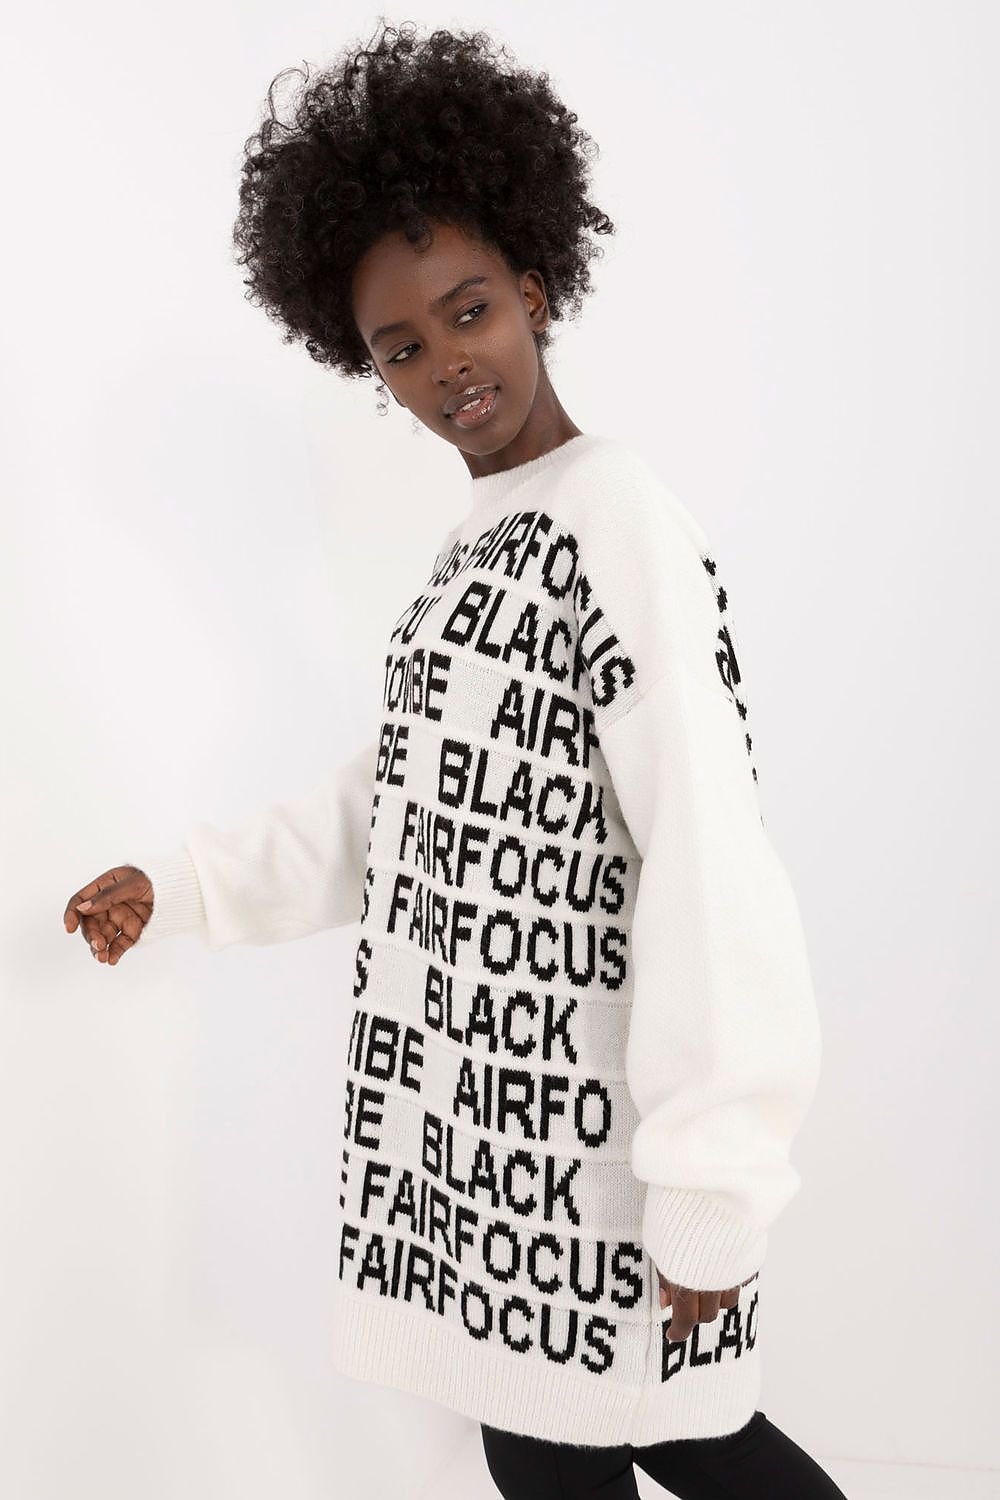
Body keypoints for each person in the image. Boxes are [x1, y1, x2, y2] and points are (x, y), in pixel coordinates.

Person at [62, 20, 846, 1498]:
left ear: (537, 289)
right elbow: (401, 812)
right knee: (548, 1454)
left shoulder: (616, 518)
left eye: (469, 311)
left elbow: (710, 850)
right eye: (401, 348)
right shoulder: (475, 547)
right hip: (487, 1167)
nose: (445, 365)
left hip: (601, 1161)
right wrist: (183, 886)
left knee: (691, 1444)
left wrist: (713, 1181)